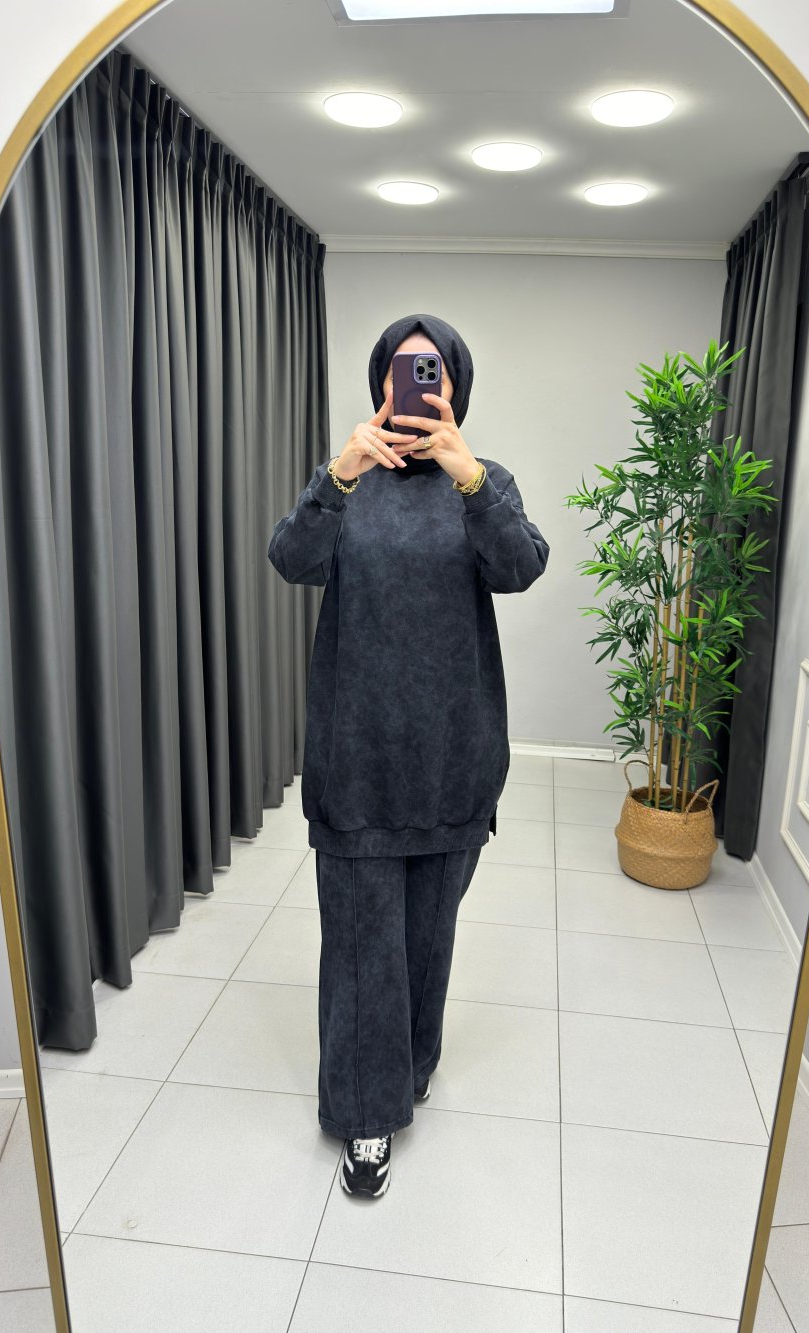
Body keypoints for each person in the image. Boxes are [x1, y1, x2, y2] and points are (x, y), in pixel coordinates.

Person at [268, 313, 549, 1199]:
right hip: (358, 754)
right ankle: (366, 1113)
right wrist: (337, 475)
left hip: (453, 755)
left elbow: (521, 567)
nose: (418, 384)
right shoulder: (348, 481)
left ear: (455, 386)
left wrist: (471, 479)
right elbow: (290, 559)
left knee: (428, 937)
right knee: (362, 947)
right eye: (403, 369)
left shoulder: (483, 481)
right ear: (381, 384)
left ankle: (410, 1066)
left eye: (434, 371)